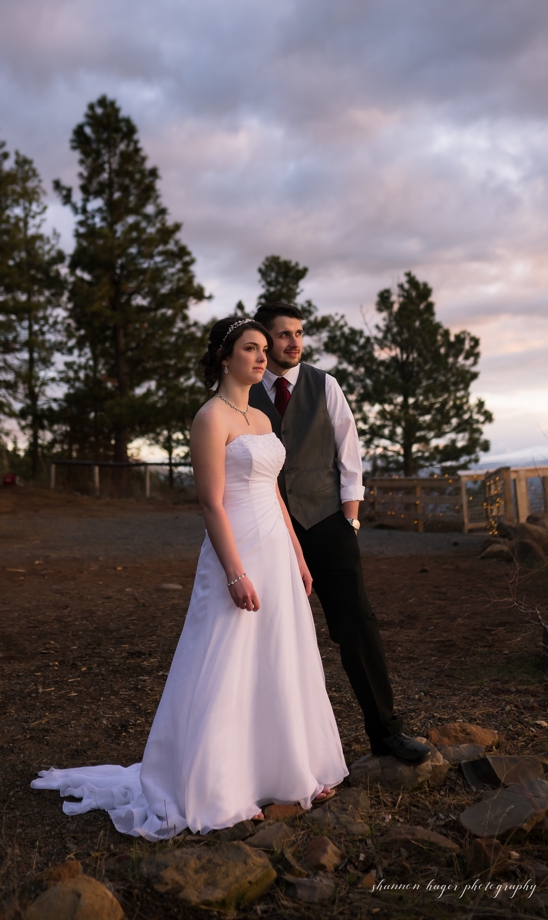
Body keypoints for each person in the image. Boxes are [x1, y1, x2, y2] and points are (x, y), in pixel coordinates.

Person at [32, 318, 348, 839]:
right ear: (225, 358)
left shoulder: (263, 421)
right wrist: (234, 572)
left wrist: (298, 556)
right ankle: (222, 787)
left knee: (281, 656)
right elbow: (210, 502)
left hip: (275, 550)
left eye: (265, 349)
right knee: (227, 662)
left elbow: (274, 494)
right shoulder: (210, 418)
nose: (262, 357)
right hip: (237, 552)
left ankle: (291, 772)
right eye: (251, 348)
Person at [246, 302, 430, 764]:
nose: (294, 342)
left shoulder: (324, 385)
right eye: (283, 335)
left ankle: (386, 734)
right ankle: (270, 754)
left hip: (327, 523)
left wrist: (348, 521)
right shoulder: (242, 394)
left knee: (357, 626)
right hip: (267, 529)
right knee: (268, 635)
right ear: (264, 343)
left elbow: (350, 458)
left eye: (299, 333)